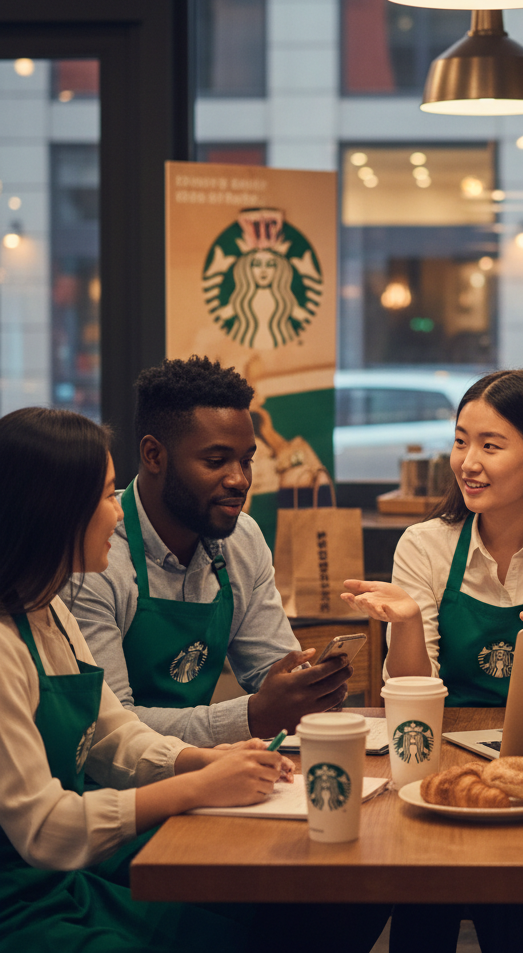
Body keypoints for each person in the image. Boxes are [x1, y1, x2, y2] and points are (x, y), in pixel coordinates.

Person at [0, 407, 389, 952]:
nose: (116, 513)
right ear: (52, 511)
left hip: (66, 880)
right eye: (108, 495)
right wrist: (198, 782)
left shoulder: (46, 613)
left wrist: (204, 761)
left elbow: (112, 733)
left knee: (294, 912)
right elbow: (45, 829)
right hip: (25, 895)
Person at [66, 356, 349, 746]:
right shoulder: (94, 554)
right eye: (216, 461)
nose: (239, 480)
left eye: (247, 460)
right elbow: (110, 729)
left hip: (206, 775)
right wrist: (251, 716)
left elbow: (274, 671)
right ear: (154, 456)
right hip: (112, 793)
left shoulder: (241, 538)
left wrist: (308, 687)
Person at [342, 368, 523, 707]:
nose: (467, 463)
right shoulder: (423, 545)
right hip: (447, 743)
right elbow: (410, 699)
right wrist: (408, 624)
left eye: (490, 446)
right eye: (461, 442)